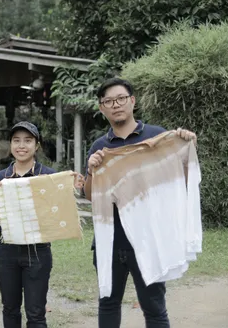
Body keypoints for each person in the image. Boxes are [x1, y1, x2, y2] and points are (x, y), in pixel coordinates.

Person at [83, 78, 196, 328]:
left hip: (149, 240)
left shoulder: (157, 137)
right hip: (110, 241)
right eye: (109, 101)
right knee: (108, 304)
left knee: (154, 308)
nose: (116, 105)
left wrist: (186, 149)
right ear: (102, 108)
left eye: (121, 98)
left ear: (132, 101)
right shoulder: (100, 147)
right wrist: (91, 170)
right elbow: (90, 195)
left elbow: (180, 181)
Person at [0, 121, 84, 328]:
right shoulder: (1, 178)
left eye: (28, 141)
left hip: (38, 250)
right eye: (16, 141)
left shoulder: (48, 176)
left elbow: (57, 211)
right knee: (10, 308)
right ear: (11, 144)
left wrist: (70, 186)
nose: (21, 146)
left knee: (36, 313)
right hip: (7, 250)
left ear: (36, 145)